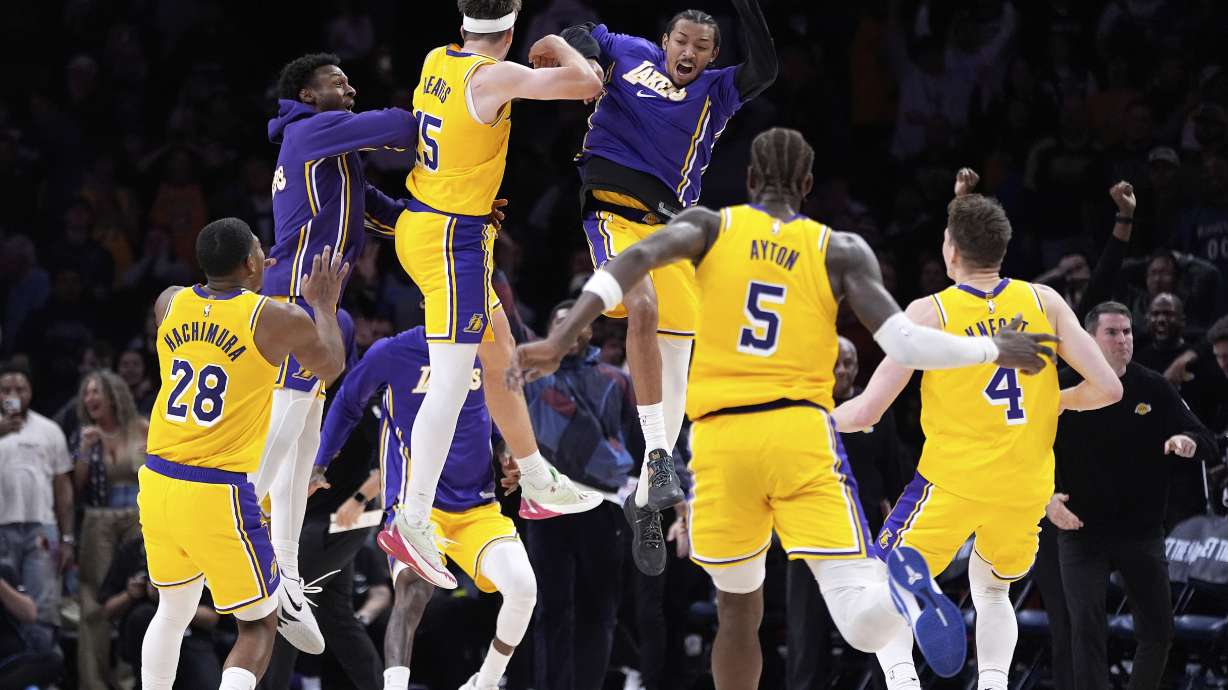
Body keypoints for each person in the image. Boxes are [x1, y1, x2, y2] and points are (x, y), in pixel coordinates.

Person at [516, 128, 1062, 689]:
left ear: (750, 179)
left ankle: (890, 601)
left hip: (724, 438)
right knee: (855, 605)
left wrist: (561, 337)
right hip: (802, 432)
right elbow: (904, 342)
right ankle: (898, 594)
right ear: (807, 185)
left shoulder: (708, 227)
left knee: (737, 611)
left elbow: (631, 261)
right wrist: (991, 349)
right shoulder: (840, 249)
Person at [831, 169, 1123, 690]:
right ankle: (991, 685)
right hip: (1025, 486)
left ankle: (903, 679)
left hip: (952, 483)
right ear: (1003, 249)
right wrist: (1054, 401)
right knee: (992, 591)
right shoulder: (1045, 302)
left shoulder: (931, 313)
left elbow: (867, 413)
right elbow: (1109, 388)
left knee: (883, 578)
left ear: (950, 251)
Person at [385, 0, 604, 589]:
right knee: (451, 383)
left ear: (462, 26)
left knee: (500, 348)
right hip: (450, 240)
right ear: (510, 31)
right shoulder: (495, 75)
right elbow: (589, 82)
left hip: (432, 221)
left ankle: (534, 478)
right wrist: (556, 44)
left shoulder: (437, 59)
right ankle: (412, 518)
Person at [561, 0, 777, 568]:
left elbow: (766, 69)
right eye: (682, 41)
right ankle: (659, 456)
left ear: (713, 56)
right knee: (643, 306)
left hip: (671, 228)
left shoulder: (717, 91)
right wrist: (587, 62)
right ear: (665, 41)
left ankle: (645, 504)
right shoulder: (629, 51)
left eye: (702, 47)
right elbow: (581, 31)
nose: (689, 52)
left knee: (677, 364)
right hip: (612, 208)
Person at [137, 217, 349, 690]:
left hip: (157, 480)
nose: (265, 256)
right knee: (257, 625)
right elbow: (330, 366)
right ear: (252, 263)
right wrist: (324, 306)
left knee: (171, 611)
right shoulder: (276, 318)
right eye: (258, 250)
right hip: (216, 489)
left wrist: (246, 274)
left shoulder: (168, 302)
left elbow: (215, 306)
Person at [253, 51, 418, 653]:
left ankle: (286, 575)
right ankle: (237, 524)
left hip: (317, 304)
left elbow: (384, 214)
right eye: (336, 82)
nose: (349, 89)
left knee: (303, 439)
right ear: (307, 93)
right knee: (288, 424)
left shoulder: (335, 153)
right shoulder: (311, 131)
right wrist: (452, 108)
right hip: (292, 297)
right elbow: (401, 127)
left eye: (350, 82)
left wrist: (454, 222)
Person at [315, 323, 537, 690]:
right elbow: (348, 401)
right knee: (413, 589)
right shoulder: (393, 351)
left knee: (523, 588)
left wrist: (506, 453)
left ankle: (484, 682)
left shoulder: (485, 349)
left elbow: (497, 419)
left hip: (477, 508)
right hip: (415, 508)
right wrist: (321, 461)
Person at [1046, 300, 1216, 690]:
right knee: (1084, 627)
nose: (1123, 339)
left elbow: (1205, 439)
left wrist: (1186, 441)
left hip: (1140, 531)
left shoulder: (1154, 387)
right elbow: (1022, 452)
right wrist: (1047, 498)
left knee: (1159, 631)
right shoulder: (1059, 387)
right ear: (1089, 339)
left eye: (1127, 332)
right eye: (1112, 332)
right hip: (1080, 529)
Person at [521, 300, 644, 690]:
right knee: (550, 607)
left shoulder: (615, 379)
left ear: (590, 330)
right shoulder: (530, 378)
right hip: (547, 503)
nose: (569, 330)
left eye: (577, 323)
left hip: (603, 506)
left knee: (600, 609)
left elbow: (637, 437)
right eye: (560, 323)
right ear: (548, 332)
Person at [261, 309, 385, 690]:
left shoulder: (359, 395)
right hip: (301, 521)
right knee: (336, 616)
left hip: (344, 519)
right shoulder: (292, 388)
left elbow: (394, 460)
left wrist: (359, 499)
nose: (311, 350)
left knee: (283, 603)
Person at [787, 336, 909, 690]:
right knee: (806, 638)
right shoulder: (800, 409)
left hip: (866, 537)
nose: (842, 370)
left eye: (850, 363)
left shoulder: (876, 410)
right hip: (810, 537)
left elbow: (895, 478)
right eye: (835, 362)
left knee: (879, 632)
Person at [71, 369, 148, 690]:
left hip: (139, 516)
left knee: (137, 592)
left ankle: (133, 680)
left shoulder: (141, 427)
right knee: (95, 600)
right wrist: (84, 451)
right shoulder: (86, 435)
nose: (89, 398)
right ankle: (94, 683)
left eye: (96, 392)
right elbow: (76, 486)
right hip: (99, 518)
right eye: (86, 393)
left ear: (114, 395)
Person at [0, 365, 73, 678]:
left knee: (42, 606)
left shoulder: (49, 429)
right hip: (1, 525)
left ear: (31, 392)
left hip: (42, 527)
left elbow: (63, 486)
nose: (13, 395)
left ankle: (41, 675)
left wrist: (67, 537)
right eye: (6, 389)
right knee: (8, 606)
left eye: (20, 389)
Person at [99, 535, 222, 690]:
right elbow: (107, 611)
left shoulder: (194, 550)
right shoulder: (133, 550)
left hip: (191, 640)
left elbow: (211, 618)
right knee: (143, 616)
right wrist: (129, 595)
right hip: (142, 646)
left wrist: (170, 601)